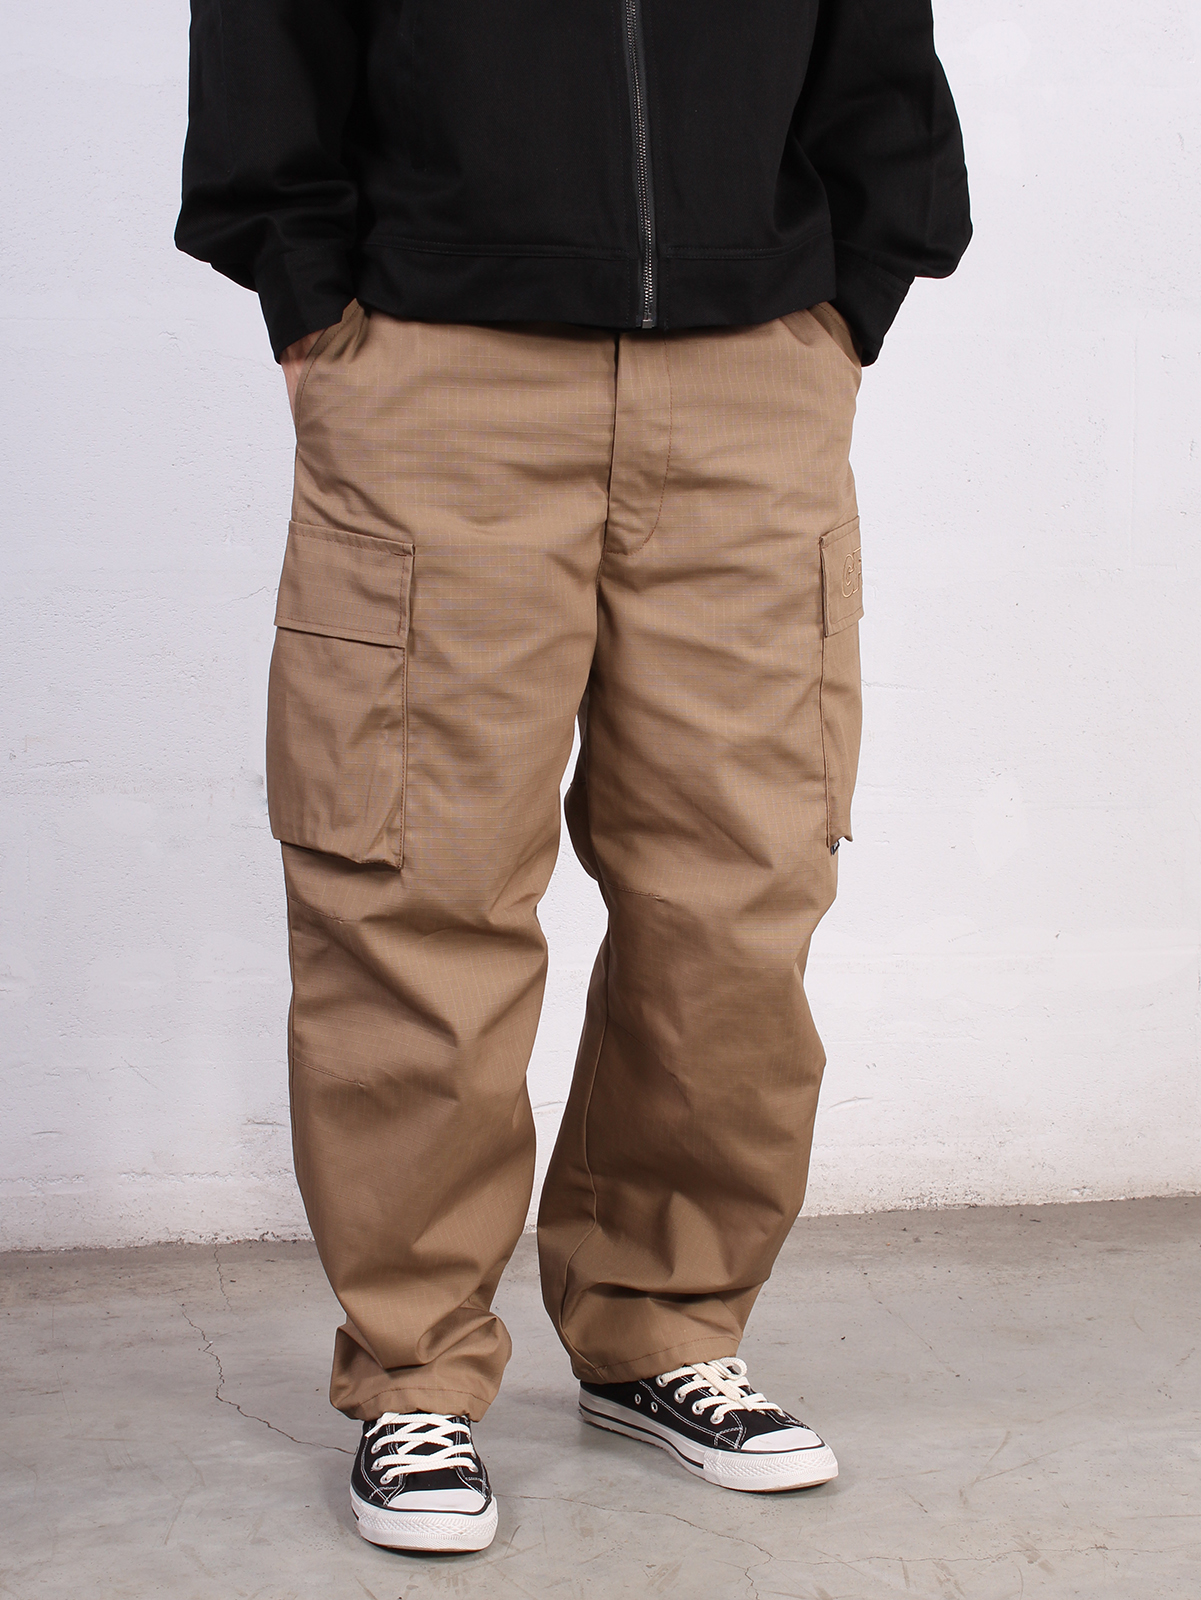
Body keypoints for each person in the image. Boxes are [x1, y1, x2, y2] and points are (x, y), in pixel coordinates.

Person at [177, 0, 970, 1555]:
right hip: (437, 364)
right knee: (417, 884)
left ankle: (662, 1329)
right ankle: (416, 1372)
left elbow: (874, 44)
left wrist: (849, 297)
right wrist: (311, 302)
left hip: (752, 370)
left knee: (742, 889)